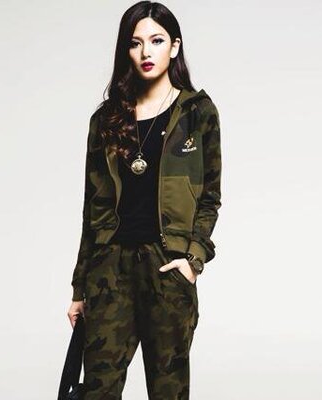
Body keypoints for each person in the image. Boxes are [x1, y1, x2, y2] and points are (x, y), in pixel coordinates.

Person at [66, 1, 222, 398]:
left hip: (166, 267)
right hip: (110, 270)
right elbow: (91, 208)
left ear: (174, 46)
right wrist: (80, 288)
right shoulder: (106, 120)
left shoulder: (198, 114)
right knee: (98, 390)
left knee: (168, 392)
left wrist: (192, 261)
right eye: (135, 43)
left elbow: (209, 197)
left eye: (156, 41)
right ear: (126, 50)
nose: (146, 52)